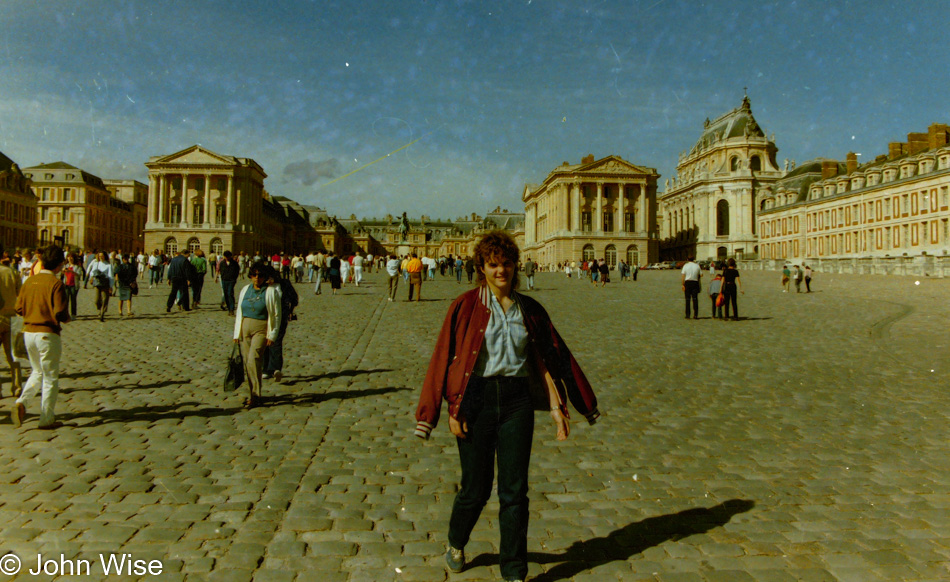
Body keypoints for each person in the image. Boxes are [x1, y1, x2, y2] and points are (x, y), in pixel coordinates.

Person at [414, 230, 600, 582]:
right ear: (481, 267)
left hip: (517, 402)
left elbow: (552, 357)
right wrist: (446, 411)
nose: (501, 270)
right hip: (476, 401)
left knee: (515, 491)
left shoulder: (529, 309)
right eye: (493, 264)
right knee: (476, 488)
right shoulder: (465, 305)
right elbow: (442, 360)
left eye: (507, 264)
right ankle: (456, 541)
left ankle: (514, 570)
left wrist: (569, 405)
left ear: (516, 265)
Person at [11, 245, 70, 430]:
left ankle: (22, 402)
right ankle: (46, 417)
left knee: (37, 371)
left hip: (29, 333)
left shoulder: (29, 282)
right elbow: (60, 312)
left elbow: (18, 308)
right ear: (59, 265)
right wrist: (68, 318)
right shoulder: (56, 284)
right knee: (51, 377)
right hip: (47, 334)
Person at [233, 262, 282, 409]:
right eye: (254, 275)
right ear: (250, 276)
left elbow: (277, 314)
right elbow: (239, 312)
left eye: (260, 275)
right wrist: (237, 332)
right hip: (245, 328)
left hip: (261, 328)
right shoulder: (245, 290)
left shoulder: (271, 292)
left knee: (253, 360)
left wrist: (272, 335)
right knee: (249, 364)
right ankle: (253, 393)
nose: (257, 278)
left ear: (265, 277)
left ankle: (255, 395)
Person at [262, 268, 298, 382]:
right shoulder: (262, 286)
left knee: (276, 341)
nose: (269, 280)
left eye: (271, 278)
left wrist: (291, 310)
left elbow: (294, 298)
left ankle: (275, 368)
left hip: (281, 316)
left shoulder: (284, 284)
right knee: (264, 341)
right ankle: (265, 369)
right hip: (265, 317)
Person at [0, 254, 23, 396]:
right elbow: (20, 295)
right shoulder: (12, 272)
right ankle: (17, 386)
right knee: (13, 356)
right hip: (11, 318)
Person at [87, 251, 113, 322]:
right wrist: (91, 277)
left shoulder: (108, 265)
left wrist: (111, 286)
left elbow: (111, 276)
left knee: (105, 299)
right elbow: (92, 272)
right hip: (97, 283)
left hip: (105, 284)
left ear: (105, 256)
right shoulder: (96, 264)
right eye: (99, 256)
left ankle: (102, 314)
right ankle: (100, 308)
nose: (101, 257)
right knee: (96, 300)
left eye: (102, 256)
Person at [218, 251, 240, 316]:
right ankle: (228, 306)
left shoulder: (234, 263)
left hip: (231, 280)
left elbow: (237, 271)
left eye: (228, 257)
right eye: (226, 257)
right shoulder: (222, 263)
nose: (227, 258)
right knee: (225, 294)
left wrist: (234, 279)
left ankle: (231, 309)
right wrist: (222, 277)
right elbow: (221, 271)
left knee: (230, 293)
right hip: (224, 280)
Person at [60, 253, 82, 318]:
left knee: (73, 300)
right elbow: (62, 275)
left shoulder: (77, 266)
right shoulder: (66, 265)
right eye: (69, 257)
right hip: (66, 284)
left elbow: (79, 275)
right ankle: (66, 313)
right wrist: (63, 271)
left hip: (74, 285)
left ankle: (73, 314)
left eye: (71, 257)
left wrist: (72, 272)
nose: (70, 259)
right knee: (66, 300)